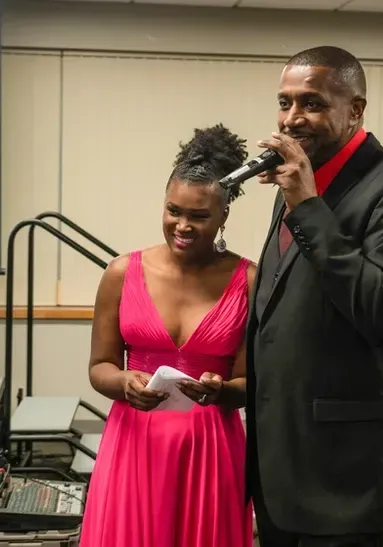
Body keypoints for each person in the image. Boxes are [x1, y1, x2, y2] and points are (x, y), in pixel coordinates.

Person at [245, 46, 383, 546]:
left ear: (355, 110)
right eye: (284, 102)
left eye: (310, 103)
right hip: (283, 463)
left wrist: (308, 206)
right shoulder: (296, 182)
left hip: (349, 473)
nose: (292, 119)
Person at [79, 124, 256, 547]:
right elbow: (99, 367)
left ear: (224, 215)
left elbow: (252, 385)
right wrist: (124, 383)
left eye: (199, 216)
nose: (183, 225)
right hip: (134, 442)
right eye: (173, 211)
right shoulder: (122, 273)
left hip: (210, 448)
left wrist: (222, 389)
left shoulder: (249, 280)